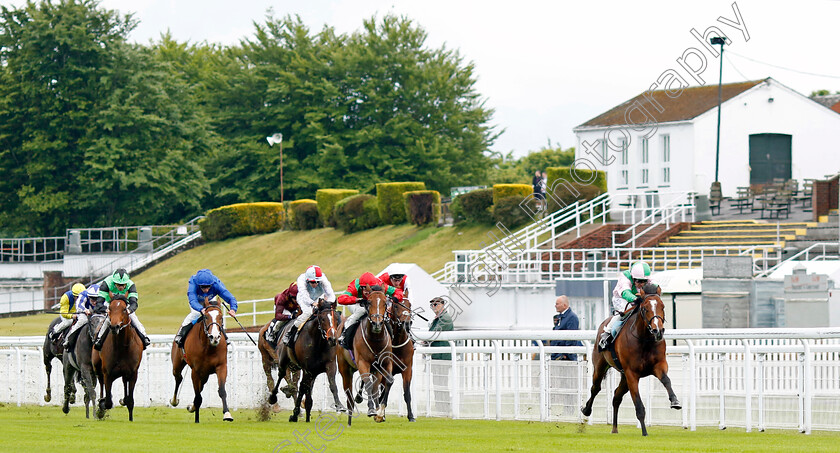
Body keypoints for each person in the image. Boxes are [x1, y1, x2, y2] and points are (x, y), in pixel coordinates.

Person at [336, 272, 403, 349]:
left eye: (370, 288)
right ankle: (344, 335)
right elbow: (341, 299)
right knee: (361, 311)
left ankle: (391, 338)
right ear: (360, 287)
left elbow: (398, 292)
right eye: (364, 288)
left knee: (381, 314)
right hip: (356, 304)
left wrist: (395, 298)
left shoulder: (380, 284)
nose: (367, 291)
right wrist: (357, 299)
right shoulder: (355, 285)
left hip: (372, 303)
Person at [599, 261, 657, 349]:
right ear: (633, 278)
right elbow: (626, 293)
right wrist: (635, 299)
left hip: (639, 298)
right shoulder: (625, 278)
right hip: (621, 298)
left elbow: (656, 288)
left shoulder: (649, 278)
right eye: (638, 281)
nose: (641, 284)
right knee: (623, 313)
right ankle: (607, 333)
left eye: (644, 281)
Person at [174, 268, 238, 348]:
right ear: (198, 285)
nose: (206, 290)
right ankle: (181, 333)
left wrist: (233, 309)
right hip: (197, 301)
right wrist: (201, 309)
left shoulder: (216, 284)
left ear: (212, 284)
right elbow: (193, 300)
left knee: (214, 314)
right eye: (203, 287)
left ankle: (224, 336)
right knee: (195, 313)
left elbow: (230, 298)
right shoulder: (193, 283)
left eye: (208, 287)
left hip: (210, 300)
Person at [283, 265, 336, 347]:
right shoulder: (301, 279)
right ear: (307, 280)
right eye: (312, 282)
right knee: (308, 313)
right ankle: (290, 332)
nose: (315, 284)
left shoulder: (323, 279)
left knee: (329, 313)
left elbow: (331, 294)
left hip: (318, 296)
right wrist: (313, 304)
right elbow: (304, 296)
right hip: (303, 298)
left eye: (317, 282)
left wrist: (328, 303)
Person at [62, 283, 103, 351]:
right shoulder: (83, 294)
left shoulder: (103, 294)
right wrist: (85, 310)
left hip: (95, 311)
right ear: (89, 297)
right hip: (83, 311)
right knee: (83, 320)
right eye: (93, 300)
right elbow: (79, 305)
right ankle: (69, 339)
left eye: (97, 299)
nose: (95, 302)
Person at [550, 295, 582, 361]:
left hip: (565, 357)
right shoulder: (561, 317)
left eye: (557, 304)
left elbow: (572, 337)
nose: (555, 306)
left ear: (564, 305)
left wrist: (565, 354)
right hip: (557, 353)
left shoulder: (572, 317)